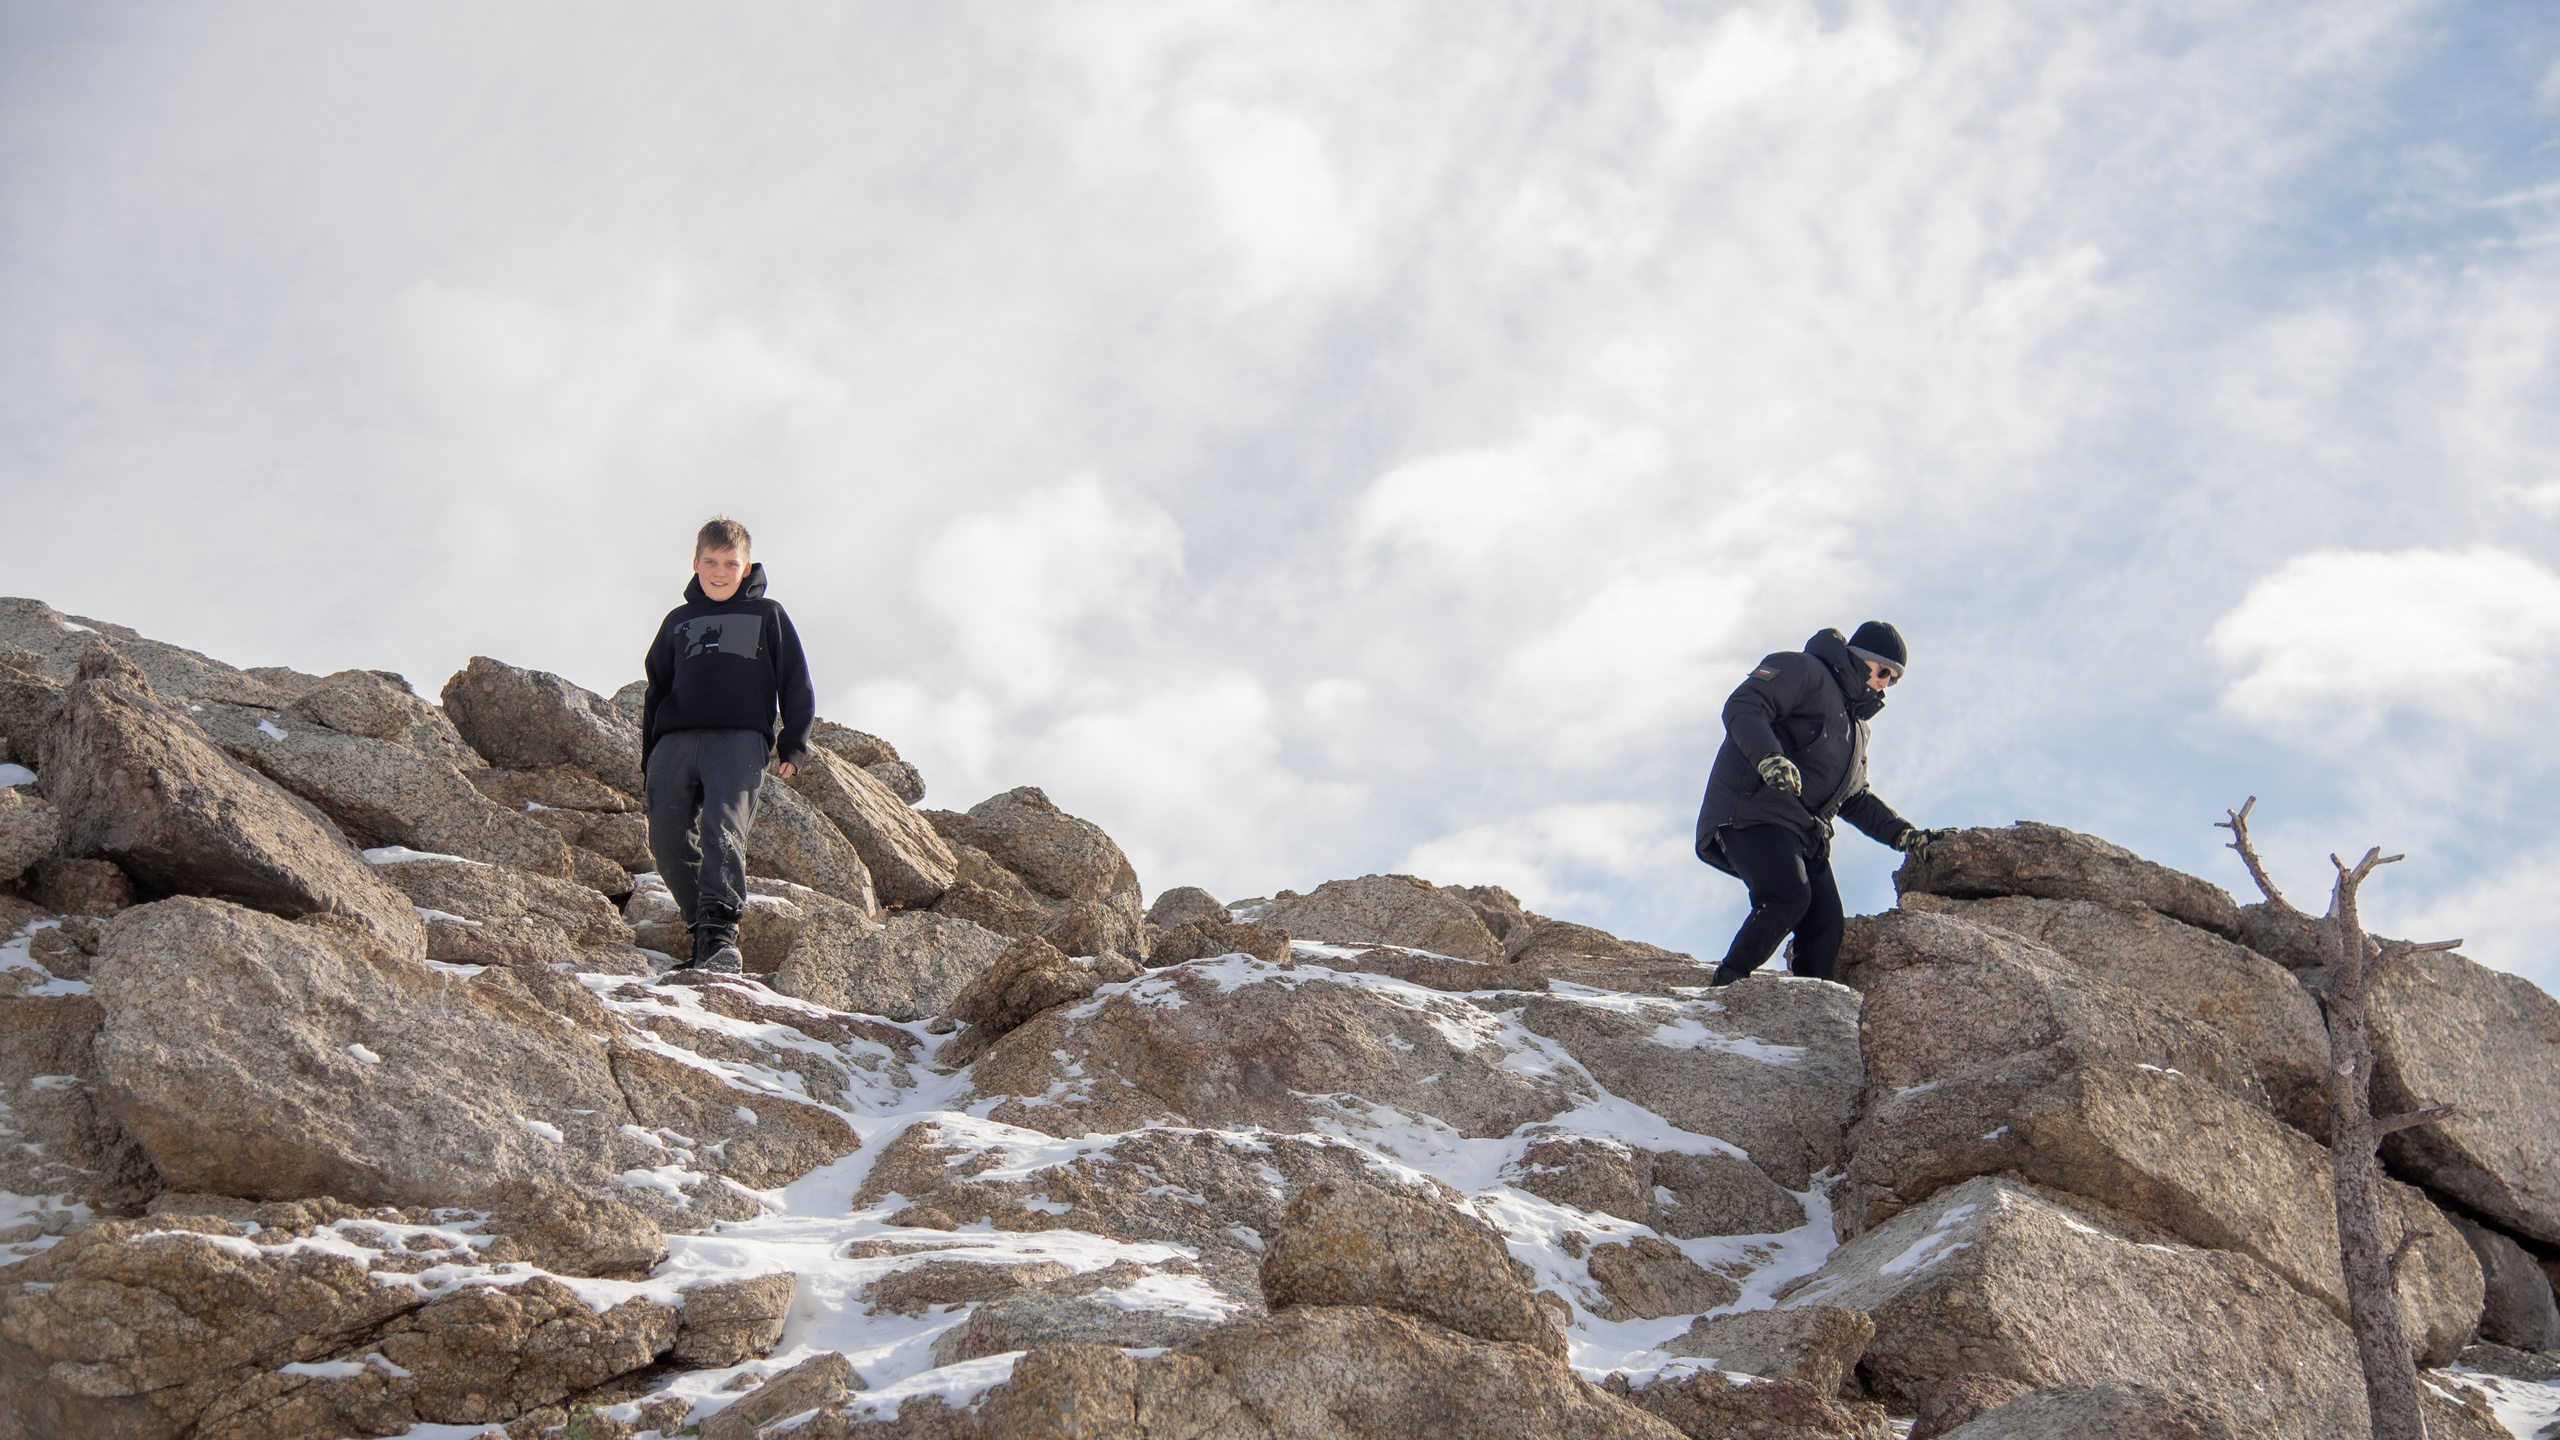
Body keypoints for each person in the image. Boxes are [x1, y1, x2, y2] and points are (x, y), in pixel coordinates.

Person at [1693, 621, 1937, 986]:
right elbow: (1744, 705)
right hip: (1752, 808)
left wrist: (1907, 837)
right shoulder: (1804, 670)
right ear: (1859, 658)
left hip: (1803, 832)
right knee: (1788, 896)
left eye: (1894, 679)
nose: (1886, 683)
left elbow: (1855, 798)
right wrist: (1769, 758)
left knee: (1826, 923)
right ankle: (1725, 989)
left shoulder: (1856, 730)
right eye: (1883, 671)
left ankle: (1809, 1006)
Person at [640, 517, 815, 973]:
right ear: (696, 563)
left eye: (730, 563)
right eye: (711, 562)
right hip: (675, 743)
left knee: (723, 828)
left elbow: (795, 681)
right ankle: (702, 934)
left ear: (747, 566)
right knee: (665, 838)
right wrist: (650, 756)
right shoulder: (677, 622)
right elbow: (655, 692)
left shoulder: (768, 614)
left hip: (738, 740)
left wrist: (792, 744)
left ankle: (721, 938)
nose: (720, 572)